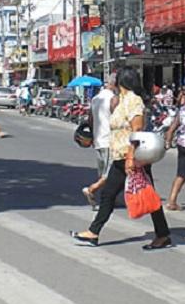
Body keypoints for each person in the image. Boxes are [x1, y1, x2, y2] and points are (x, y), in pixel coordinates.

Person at [71, 67, 172, 250]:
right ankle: (162, 234)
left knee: (132, 194)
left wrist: (130, 158)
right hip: (120, 155)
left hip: (131, 156)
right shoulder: (121, 101)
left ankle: (95, 232)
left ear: (122, 81)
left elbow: (137, 130)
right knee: (114, 194)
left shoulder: (134, 100)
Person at [82, 74, 117, 210]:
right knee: (109, 174)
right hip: (108, 140)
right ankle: (91, 190)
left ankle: (106, 200)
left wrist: (92, 135)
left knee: (103, 172)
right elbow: (116, 120)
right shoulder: (113, 99)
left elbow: (90, 119)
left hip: (98, 139)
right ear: (114, 84)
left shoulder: (96, 99)